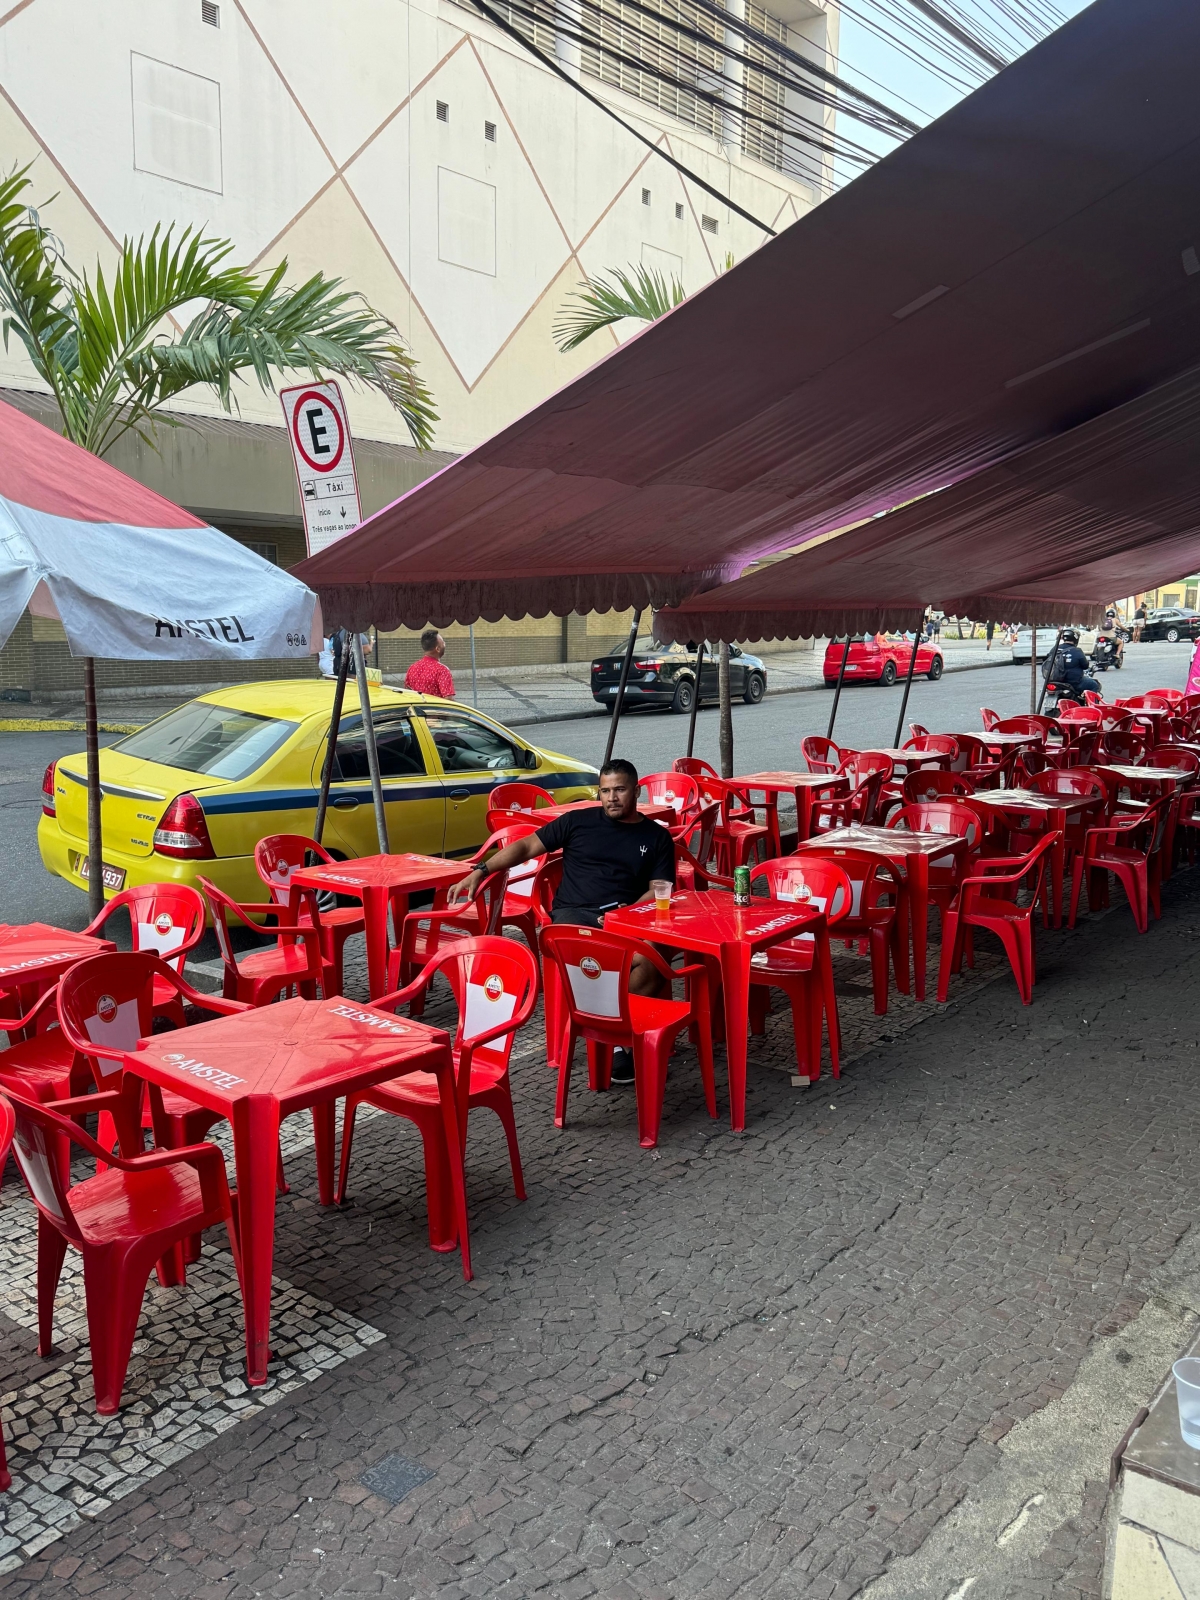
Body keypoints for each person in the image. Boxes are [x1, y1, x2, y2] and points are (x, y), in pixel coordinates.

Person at [450, 758, 675, 1083]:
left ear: (636, 791)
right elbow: (527, 845)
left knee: (655, 959)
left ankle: (608, 1032)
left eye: (620, 790)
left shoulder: (655, 837)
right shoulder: (577, 822)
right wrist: (482, 869)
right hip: (571, 920)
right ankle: (621, 1043)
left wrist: (626, 913)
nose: (612, 798)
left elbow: (658, 888)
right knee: (613, 962)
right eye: (605, 790)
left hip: (622, 920)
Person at [1045, 628, 1100, 698]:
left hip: (1054, 682)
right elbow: (1085, 666)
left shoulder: (1054, 649)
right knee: (1094, 685)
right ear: (1076, 639)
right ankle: (1091, 707)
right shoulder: (1077, 651)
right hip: (1073, 683)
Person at [405, 628, 455, 698]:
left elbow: (407, 694)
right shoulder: (442, 671)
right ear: (438, 649)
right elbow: (449, 701)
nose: (444, 644)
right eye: (443, 642)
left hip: (415, 708)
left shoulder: (412, 668)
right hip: (435, 709)